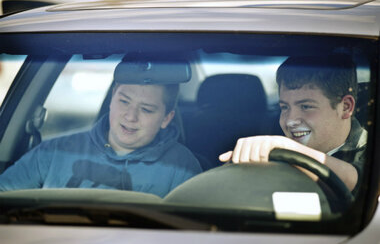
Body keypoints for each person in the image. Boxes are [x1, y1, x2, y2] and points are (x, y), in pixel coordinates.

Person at [0, 59, 202, 198]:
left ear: (167, 118)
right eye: (124, 101)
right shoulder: (54, 152)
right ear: (112, 98)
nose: (131, 117)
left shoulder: (182, 169)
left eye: (146, 110)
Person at [219, 55, 367, 195]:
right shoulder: (271, 143)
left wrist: (288, 150)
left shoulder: (371, 150)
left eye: (306, 107)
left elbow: (360, 181)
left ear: (346, 107)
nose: (290, 121)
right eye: (285, 107)